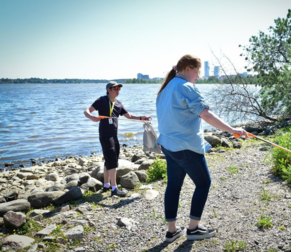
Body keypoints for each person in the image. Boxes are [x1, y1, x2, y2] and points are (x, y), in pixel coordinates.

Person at [156, 54, 249, 242]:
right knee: (203, 183)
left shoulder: (165, 89)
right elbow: (206, 115)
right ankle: (193, 229)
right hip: (186, 147)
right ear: (188, 68)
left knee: (173, 186)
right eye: (197, 72)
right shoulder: (186, 86)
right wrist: (232, 130)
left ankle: (171, 231)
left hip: (168, 145)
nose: (198, 76)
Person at [84, 81, 150, 197]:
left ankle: (106, 185)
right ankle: (114, 188)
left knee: (109, 159)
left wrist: (141, 118)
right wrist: (92, 117)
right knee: (112, 160)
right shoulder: (102, 100)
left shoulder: (118, 103)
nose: (118, 90)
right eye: (115, 88)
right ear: (109, 90)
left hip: (114, 135)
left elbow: (128, 116)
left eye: (119, 88)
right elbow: (86, 111)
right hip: (105, 135)